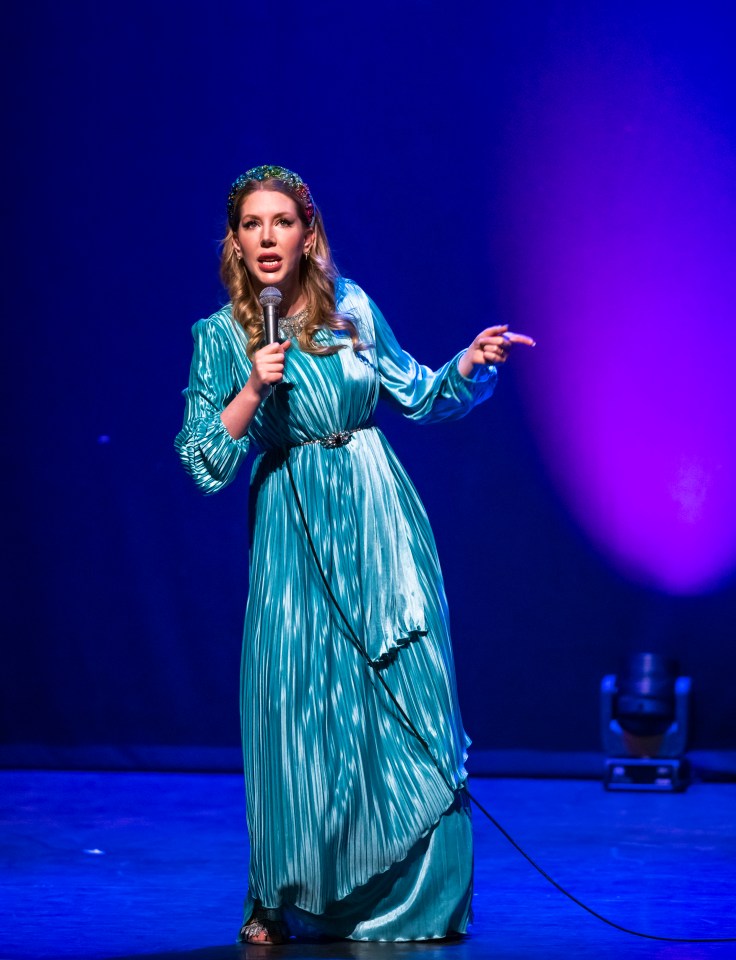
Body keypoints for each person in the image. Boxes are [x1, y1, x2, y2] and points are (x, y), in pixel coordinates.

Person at [175, 164, 534, 944]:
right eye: (251, 225)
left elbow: (421, 394)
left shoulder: (354, 311)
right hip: (291, 539)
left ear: (309, 233)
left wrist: (468, 365)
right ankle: (276, 895)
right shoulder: (220, 338)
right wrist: (250, 389)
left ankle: (422, 899)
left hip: (378, 524)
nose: (268, 238)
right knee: (292, 714)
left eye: (282, 222)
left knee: (408, 701)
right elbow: (202, 460)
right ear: (235, 242)